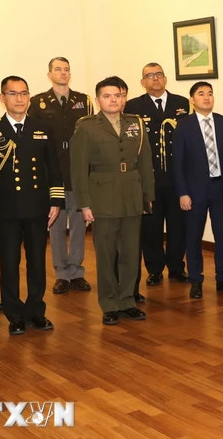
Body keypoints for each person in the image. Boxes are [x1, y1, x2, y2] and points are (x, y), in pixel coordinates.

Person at [0, 76, 64, 336]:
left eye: (24, 93)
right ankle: (13, 314)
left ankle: (36, 311)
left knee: (37, 262)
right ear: (2, 98)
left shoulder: (42, 127)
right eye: (13, 94)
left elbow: (53, 168)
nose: (19, 99)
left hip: (37, 207)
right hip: (6, 209)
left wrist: (56, 201)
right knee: (10, 262)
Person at [70, 77, 154, 325]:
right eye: (107, 96)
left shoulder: (135, 123)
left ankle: (127, 300)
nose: (113, 100)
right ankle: (108, 303)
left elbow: (146, 163)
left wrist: (148, 196)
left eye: (117, 95)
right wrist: (84, 204)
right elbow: (78, 169)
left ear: (124, 97)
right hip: (102, 197)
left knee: (130, 252)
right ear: (97, 100)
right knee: (106, 254)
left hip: (131, 194)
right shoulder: (86, 126)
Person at [124, 63, 190, 297]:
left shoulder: (182, 103)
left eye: (159, 75)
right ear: (142, 82)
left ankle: (176, 267)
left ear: (165, 78)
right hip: (148, 178)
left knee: (177, 226)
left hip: (176, 177)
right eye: (150, 76)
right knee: (150, 228)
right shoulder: (133, 106)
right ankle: (154, 269)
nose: (155, 79)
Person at [29, 57, 93, 295]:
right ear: (49, 74)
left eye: (66, 69)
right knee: (55, 225)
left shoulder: (83, 101)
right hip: (52, 173)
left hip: (77, 171)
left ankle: (76, 271)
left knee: (78, 224)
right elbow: (34, 138)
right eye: (58, 69)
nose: (63, 73)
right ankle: (61, 273)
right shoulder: (38, 102)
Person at [172, 81, 223, 299]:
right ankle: (196, 280)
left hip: (220, 188)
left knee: (222, 236)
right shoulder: (184, 125)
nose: (207, 97)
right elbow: (178, 163)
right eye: (201, 94)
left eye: (210, 93)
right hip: (194, 191)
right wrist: (182, 193)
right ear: (192, 100)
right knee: (193, 236)